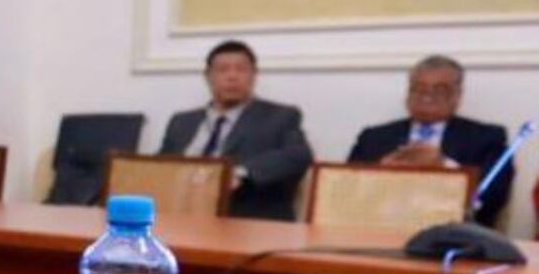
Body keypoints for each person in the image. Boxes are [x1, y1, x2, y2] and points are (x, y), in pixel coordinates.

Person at [348, 55, 511, 227]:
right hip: (381, 229)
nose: (427, 96)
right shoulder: (373, 137)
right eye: (418, 89)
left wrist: (443, 166)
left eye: (439, 90)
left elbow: (492, 199)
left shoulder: (487, 138)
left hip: (452, 235)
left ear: (458, 95)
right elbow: (345, 194)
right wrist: (381, 173)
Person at [159, 40, 313, 221]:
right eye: (223, 70)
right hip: (182, 215)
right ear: (208, 76)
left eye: (240, 69)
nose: (232, 76)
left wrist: (240, 173)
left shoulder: (280, 116)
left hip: (245, 220)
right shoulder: (182, 121)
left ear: (254, 75)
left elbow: (298, 155)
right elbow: (160, 166)